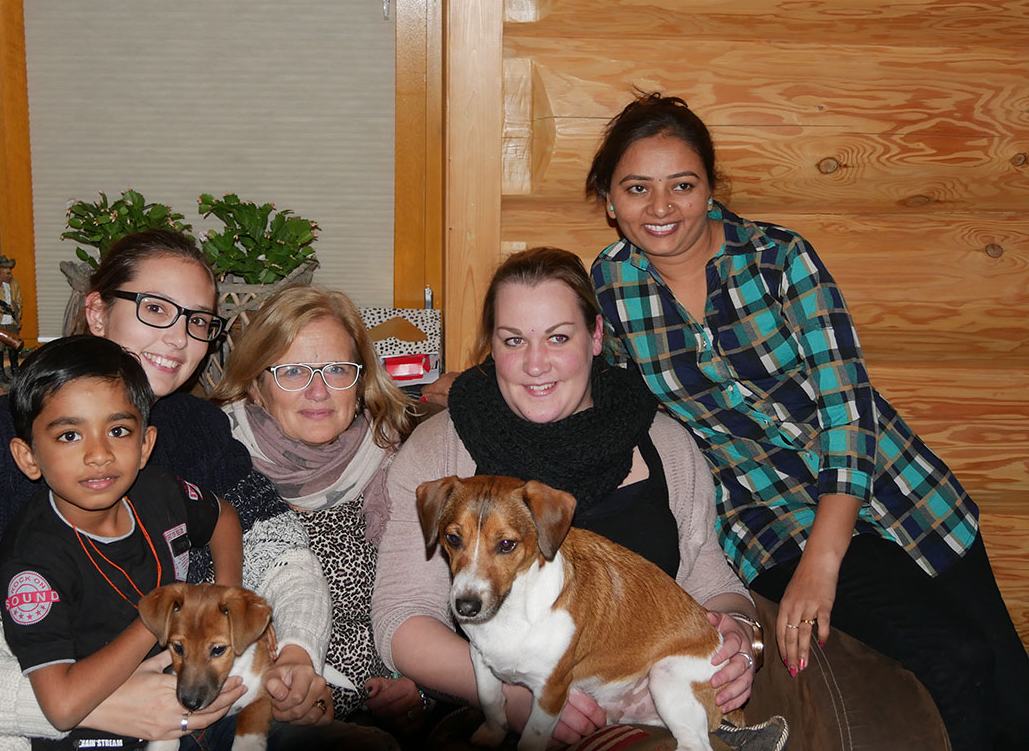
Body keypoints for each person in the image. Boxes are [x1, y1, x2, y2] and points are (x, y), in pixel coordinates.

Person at [585, 91, 1029, 751]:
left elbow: (848, 406)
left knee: (1012, 687)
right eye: (637, 188)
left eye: (682, 185)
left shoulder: (779, 259)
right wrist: (465, 386)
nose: (661, 207)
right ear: (610, 200)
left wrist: (824, 565)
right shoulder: (610, 288)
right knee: (955, 659)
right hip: (770, 522)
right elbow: (582, 373)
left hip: (902, 494)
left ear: (709, 188)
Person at [0, 229, 332, 749]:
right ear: (96, 312)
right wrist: (97, 704)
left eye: (198, 320)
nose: (179, 338)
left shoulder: (198, 426)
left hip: (205, 693)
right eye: (155, 309)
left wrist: (297, 653)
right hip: (37, 703)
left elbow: (283, 552)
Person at [371, 247, 760, 748]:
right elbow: (401, 616)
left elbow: (710, 579)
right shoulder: (439, 449)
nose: (536, 364)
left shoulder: (665, 443)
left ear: (595, 336)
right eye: (514, 340)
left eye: (558, 337)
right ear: (492, 345)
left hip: (654, 700)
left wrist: (740, 635)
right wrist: (510, 696)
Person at [0, 335, 242, 750]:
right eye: (69, 435)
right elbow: (61, 706)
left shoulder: (159, 492)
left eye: (118, 430)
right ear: (29, 457)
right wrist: (160, 618)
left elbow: (223, 517)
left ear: (145, 446)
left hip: (196, 700)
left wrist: (228, 598)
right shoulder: (33, 559)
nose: (99, 454)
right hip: (102, 734)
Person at [215, 285, 425, 743]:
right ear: (256, 385)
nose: (318, 391)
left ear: (361, 381)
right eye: (292, 371)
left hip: (374, 718)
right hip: (245, 721)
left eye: (337, 370)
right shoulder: (215, 467)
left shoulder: (397, 463)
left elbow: (437, 599)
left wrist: (420, 689)